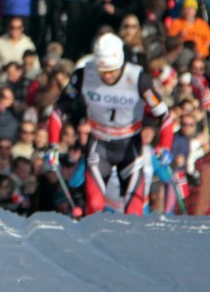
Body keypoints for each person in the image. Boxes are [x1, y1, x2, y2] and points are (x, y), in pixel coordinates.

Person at [48, 32, 173, 216]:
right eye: (103, 71)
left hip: (130, 147)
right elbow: (59, 110)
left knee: (134, 212)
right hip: (100, 145)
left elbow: (165, 116)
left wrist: (166, 145)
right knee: (95, 205)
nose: (107, 77)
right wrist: (53, 144)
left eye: (112, 71)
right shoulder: (84, 75)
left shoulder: (138, 78)